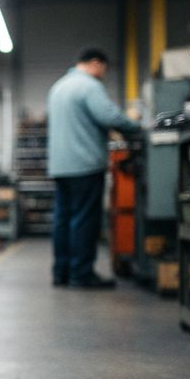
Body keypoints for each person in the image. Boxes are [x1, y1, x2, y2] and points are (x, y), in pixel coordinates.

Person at [46, 47, 142, 288]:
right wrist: (138, 128)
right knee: (84, 220)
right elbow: (110, 117)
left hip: (60, 165)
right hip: (84, 164)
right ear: (96, 63)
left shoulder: (58, 87)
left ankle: (62, 272)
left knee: (63, 219)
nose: (102, 75)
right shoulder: (89, 86)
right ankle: (81, 273)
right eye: (103, 70)